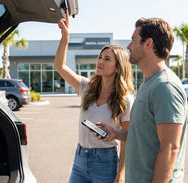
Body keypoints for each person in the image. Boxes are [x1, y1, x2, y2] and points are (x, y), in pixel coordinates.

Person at [97, 17, 188, 183]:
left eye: (133, 40)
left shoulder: (165, 86)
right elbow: (145, 134)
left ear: (148, 44)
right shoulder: (149, 83)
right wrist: (117, 133)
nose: (129, 46)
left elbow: (170, 148)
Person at [55, 10, 135, 183]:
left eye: (107, 59)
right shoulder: (86, 87)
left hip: (105, 162)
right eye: (100, 57)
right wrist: (65, 36)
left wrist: (120, 174)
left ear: (118, 67)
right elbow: (60, 66)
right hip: (80, 158)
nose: (100, 61)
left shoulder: (125, 99)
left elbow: (127, 140)